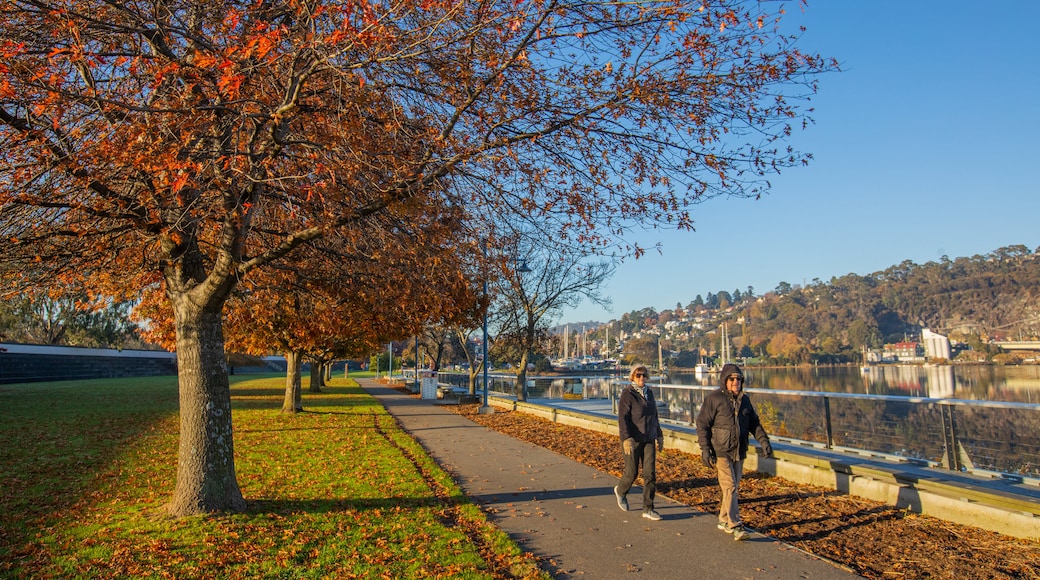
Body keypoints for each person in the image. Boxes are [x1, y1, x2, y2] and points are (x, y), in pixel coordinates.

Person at [695, 363, 773, 541]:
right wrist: (705, 449)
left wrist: (764, 441)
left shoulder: (744, 400)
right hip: (721, 450)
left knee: (733, 487)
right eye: (732, 379)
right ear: (725, 380)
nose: (735, 381)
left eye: (738, 378)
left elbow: (754, 423)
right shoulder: (714, 399)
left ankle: (723, 519)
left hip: (739, 449)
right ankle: (736, 525)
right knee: (729, 486)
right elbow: (702, 424)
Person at [614, 365, 665, 521]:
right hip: (633, 439)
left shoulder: (649, 393)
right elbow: (623, 418)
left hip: (649, 438)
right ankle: (621, 491)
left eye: (644, 375)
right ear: (633, 377)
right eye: (638, 375)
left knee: (650, 474)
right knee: (632, 472)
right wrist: (626, 438)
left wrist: (659, 435)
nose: (641, 378)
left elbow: (654, 415)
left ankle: (648, 508)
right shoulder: (628, 393)